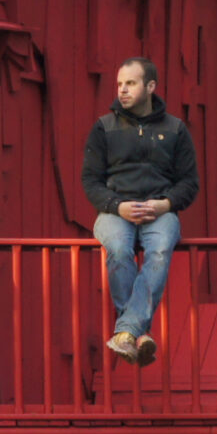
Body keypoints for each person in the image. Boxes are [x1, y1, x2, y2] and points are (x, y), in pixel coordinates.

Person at [80, 56, 197, 365]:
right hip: (115, 211)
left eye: (130, 83)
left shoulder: (175, 129)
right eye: (120, 84)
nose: (122, 90)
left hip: (160, 210)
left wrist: (165, 204)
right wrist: (117, 205)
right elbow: (90, 181)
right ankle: (136, 332)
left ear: (150, 87)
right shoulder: (104, 128)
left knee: (159, 250)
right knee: (118, 249)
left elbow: (189, 183)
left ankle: (127, 332)